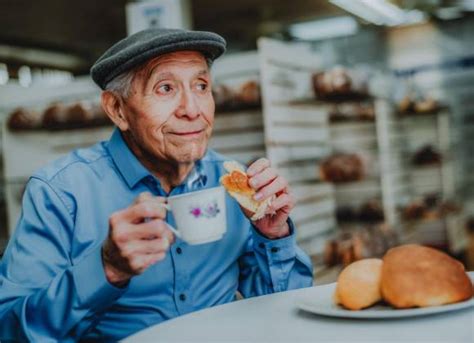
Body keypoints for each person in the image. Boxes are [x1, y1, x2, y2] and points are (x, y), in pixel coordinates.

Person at [0, 28, 313, 341]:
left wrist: (272, 237)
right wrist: (107, 269)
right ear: (117, 109)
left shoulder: (233, 184)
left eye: (201, 86)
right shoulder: (60, 193)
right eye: (165, 88)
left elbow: (286, 308)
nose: (193, 110)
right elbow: (10, 330)